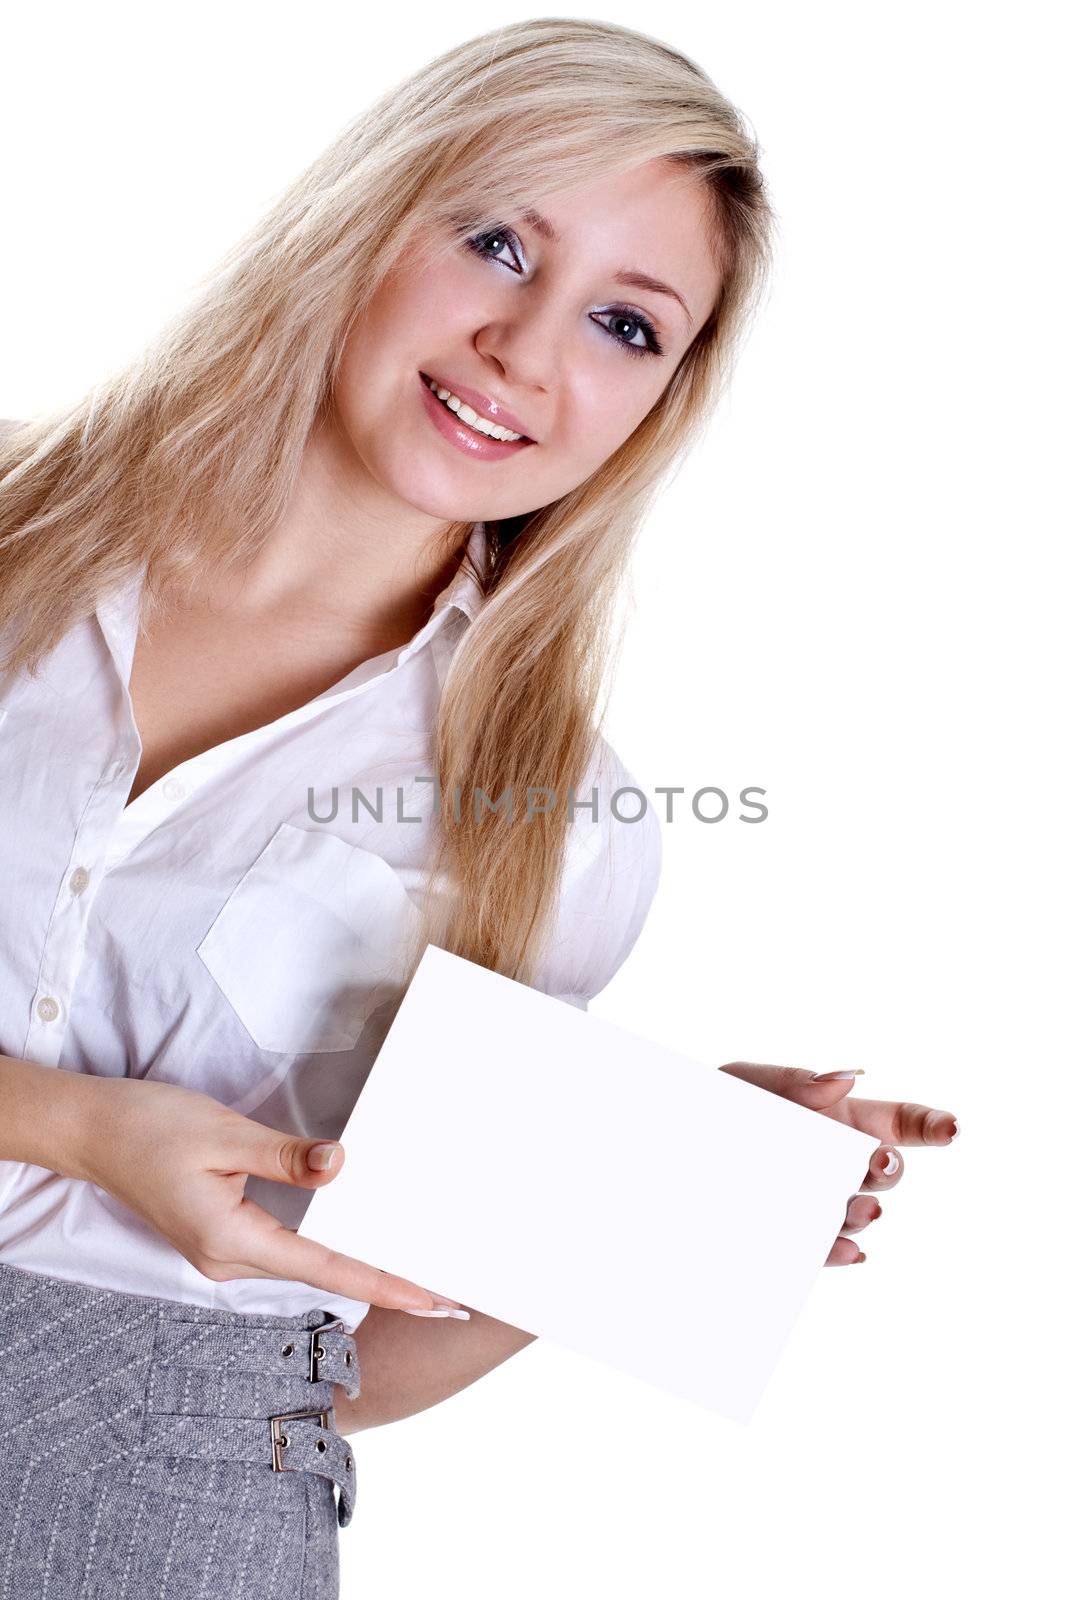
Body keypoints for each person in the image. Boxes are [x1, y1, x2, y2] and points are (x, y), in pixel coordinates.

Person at [0, 16, 959, 1598]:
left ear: (659, 400)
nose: (527, 349)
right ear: (370, 213)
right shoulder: (22, 545)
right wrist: (85, 1128)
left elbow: (352, 1361)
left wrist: (673, 1193)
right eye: (498, 238)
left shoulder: (558, 825)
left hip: (176, 1509)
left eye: (626, 327)